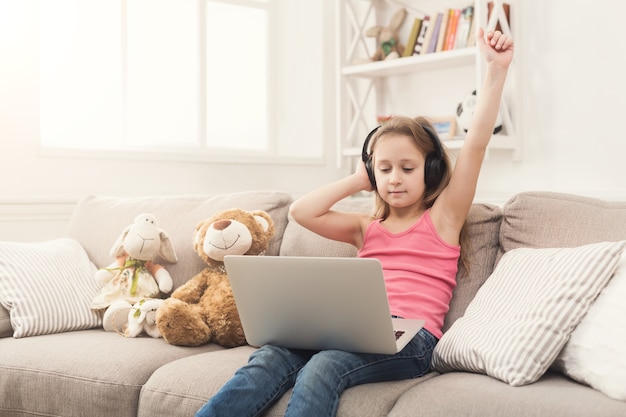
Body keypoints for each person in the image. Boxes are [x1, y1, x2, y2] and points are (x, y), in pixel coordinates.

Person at [195, 27, 514, 417]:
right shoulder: (366, 228)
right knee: (271, 356)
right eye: (385, 169)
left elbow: (476, 143)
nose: (394, 178)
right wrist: (362, 177)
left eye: (407, 168)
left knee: (325, 365)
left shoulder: (443, 219)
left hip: (413, 341)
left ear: (430, 171)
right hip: (347, 330)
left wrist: (495, 71)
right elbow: (301, 212)